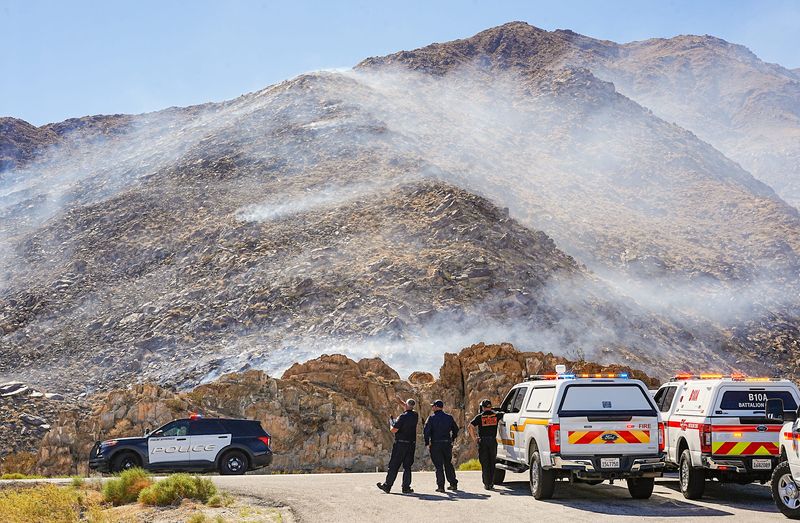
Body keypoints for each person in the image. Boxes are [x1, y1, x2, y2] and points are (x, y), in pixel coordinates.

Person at [377, 397, 418, 494]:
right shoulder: (415, 415)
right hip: (411, 445)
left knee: (394, 465)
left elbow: (393, 430)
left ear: (407, 406)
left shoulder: (402, 417)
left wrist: (391, 422)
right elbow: (409, 407)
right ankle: (406, 487)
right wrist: (402, 402)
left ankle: (387, 486)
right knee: (407, 466)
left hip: (400, 445)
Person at [423, 399, 459, 493]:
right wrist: (452, 439)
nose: (432, 407)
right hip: (447, 444)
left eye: (433, 406)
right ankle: (453, 484)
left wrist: (427, 443)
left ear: (436, 407)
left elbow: (426, 431)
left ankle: (441, 486)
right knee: (448, 464)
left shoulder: (431, 418)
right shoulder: (449, 417)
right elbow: (456, 429)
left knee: (438, 466)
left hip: (436, 444)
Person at [469, 398, 504, 490]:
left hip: (483, 441)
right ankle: (491, 483)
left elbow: (470, 426)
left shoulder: (480, 416)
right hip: (492, 441)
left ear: (483, 408)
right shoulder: (496, 415)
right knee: (492, 462)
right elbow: (504, 414)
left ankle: (486, 483)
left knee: (485, 463)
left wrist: (475, 438)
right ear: (490, 407)